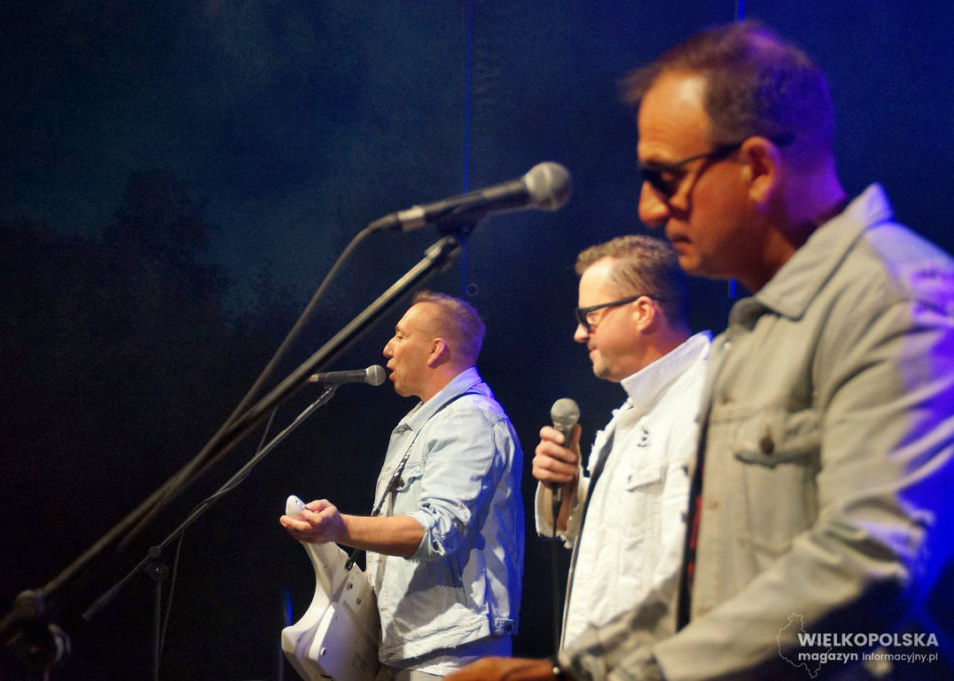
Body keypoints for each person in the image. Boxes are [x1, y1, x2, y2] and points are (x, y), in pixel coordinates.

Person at [448, 20, 954, 681]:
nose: (649, 208)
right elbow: (705, 588)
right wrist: (564, 671)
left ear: (758, 168)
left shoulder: (900, 298)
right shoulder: (756, 332)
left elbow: (868, 564)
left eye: (665, 176)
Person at [281, 290, 525, 681]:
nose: (387, 348)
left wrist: (340, 527)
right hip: (412, 652)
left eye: (400, 335)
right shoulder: (424, 424)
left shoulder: (469, 419)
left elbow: (438, 530)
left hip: (449, 658)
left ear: (435, 349)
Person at [533, 235, 709, 647]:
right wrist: (566, 488)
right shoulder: (631, 415)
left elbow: (690, 576)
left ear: (643, 312)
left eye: (589, 317)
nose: (579, 334)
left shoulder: (704, 401)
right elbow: (606, 545)